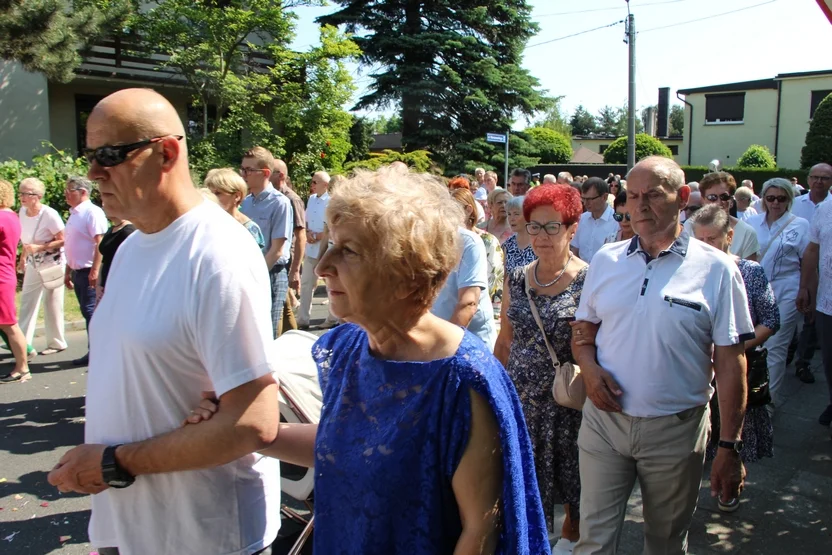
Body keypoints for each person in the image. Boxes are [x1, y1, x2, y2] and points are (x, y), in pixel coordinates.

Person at [189, 164, 549, 553]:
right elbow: (349, 445)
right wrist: (244, 431)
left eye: (348, 251)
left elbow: (480, 532)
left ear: (407, 273)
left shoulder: (462, 379)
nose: (324, 266)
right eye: (329, 246)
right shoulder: (346, 348)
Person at [46, 89, 280, 554]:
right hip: (130, 526)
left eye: (109, 156)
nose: (93, 173)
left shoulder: (217, 253)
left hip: (203, 535)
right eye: (90, 156)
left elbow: (253, 422)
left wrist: (114, 463)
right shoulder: (132, 246)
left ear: (167, 152)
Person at [571, 157, 754, 555]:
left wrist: (729, 447)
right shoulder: (606, 260)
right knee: (593, 543)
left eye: (653, 194)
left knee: (666, 544)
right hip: (605, 423)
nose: (640, 206)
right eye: (633, 196)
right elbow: (583, 333)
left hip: (676, 431)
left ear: (683, 197)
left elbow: (730, 361)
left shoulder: (718, 270)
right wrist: (588, 368)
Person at [494, 184, 587, 554]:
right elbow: (504, 340)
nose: (542, 236)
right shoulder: (517, 278)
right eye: (535, 226)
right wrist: (493, 394)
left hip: (566, 406)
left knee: (574, 490)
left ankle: (571, 541)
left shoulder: (589, 280)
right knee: (520, 487)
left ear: (572, 228)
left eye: (553, 226)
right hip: (520, 402)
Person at [689, 206, 777, 491]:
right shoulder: (688, 272)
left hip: (737, 366)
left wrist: (731, 346)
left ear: (729, 236)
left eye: (712, 239)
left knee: (735, 433)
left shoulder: (749, 272)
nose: (705, 247)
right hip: (699, 370)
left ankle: (730, 486)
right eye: (699, 240)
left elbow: (771, 319)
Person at [747, 178, 811, 403]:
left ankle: (769, 402)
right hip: (753, 289)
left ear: (789, 199)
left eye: (781, 198)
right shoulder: (752, 222)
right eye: (770, 198)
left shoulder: (800, 224)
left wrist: (805, 289)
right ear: (763, 199)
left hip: (786, 287)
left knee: (776, 346)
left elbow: (806, 259)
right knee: (752, 342)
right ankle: (747, 396)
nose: (776, 203)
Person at [239, 146, 293, 339]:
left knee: (266, 334)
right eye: (242, 169)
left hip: (269, 273)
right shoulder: (244, 202)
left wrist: (256, 277)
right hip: (246, 273)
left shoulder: (280, 203)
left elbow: (277, 251)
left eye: (249, 170)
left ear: (265, 173)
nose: (243, 174)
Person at [432, 203, 498, 350]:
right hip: (435, 341)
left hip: (470, 345)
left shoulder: (469, 242)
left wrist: (440, 351)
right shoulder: (417, 242)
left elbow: (468, 304)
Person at [16, 177, 68, 356]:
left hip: (51, 264)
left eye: (26, 193)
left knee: (52, 303)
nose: (21, 196)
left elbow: (64, 240)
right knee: (27, 301)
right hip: (33, 262)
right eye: (20, 192)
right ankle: (22, 342)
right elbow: (26, 240)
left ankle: (56, 342)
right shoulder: (22, 212)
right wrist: (23, 257)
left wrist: (41, 247)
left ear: (37, 196)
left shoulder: (49, 214)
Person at [791, 164, 832, 382]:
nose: (819, 182)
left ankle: (803, 361)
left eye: (824, 178)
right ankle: (795, 355)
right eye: (815, 177)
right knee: (804, 315)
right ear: (808, 180)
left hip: (822, 273)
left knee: (811, 323)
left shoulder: (827, 205)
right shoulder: (795, 204)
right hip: (800, 268)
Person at [63, 175, 108, 366]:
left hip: (89, 270)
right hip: (77, 270)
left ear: (83, 192)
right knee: (86, 311)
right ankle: (95, 351)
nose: (66, 194)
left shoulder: (92, 212)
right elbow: (71, 244)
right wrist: (68, 271)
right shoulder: (75, 213)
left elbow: (100, 242)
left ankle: (98, 352)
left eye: (70, 190)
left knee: (92, 312)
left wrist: (95, 270)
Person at [798, 193, 832, 428]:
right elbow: (812, 250)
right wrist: (805, 288)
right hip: (828, 302)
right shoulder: (825, 209)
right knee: (829, 360)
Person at [684, 172, 759, 261]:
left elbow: (750, 271)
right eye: (712, 197)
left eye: (724, 197)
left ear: (731, 200)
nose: (719, 202)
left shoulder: (747, 232)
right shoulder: (689, 226)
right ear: (703, 199)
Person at [0, 180, 31, 383]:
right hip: (6, 272)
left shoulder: (2, 217)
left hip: (1, 275)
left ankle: (23, 367)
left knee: (10, 324)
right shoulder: (12, 215)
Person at [298, 171, 337, 329]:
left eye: (315, 182)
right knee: (306, 283)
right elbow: (308, 220)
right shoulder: (311, 199)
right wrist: (308, 233)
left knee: (330, 285)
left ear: (325, 185)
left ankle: (332, 317)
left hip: (326, 248)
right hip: (311, 246)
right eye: (312, 182)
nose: (311, 185)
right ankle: (302, 320)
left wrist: (320, 235)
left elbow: (331, 228)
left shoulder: (332, 201)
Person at [271, 159, 306, 331]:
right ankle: (294, 343)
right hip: (278, 260)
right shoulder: (269, 198)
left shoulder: (291, 199)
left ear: (281, 176)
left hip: (285, 261)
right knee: (284, 307)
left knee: (280, 310)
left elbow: (301, 236)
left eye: (270, 171)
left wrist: (295, 270)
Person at [451, 188, 503, 304]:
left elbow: (495, 282)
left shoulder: (488, 241)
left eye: (453, 210)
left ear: (469, 210)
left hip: (479, 309)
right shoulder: (447, 241)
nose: (448, 215)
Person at [204, 168, 265, 249]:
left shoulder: (250, 229)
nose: (212, 197)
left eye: (218, 193)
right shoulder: (206, 223)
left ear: (237, 196)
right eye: (210, 193)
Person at [571, 177, 619, 263]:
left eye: (590, 199)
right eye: (583, 199)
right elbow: (575, 249)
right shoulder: (581, 219)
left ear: (604, 197)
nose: (585, 203)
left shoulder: (617, 221)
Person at [96, 213, 135, 302]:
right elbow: (105, 260)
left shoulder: (129, 232)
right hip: (105, 285)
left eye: (106, 202)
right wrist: (99, 285)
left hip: (118, 287)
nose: (103, 206)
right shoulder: (111, 230)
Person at [503, 194, 536, 274]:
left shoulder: (538, 242)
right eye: (509, 214)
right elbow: (503, 276)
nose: (511, 218)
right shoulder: (508, 244)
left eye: (516, 214)